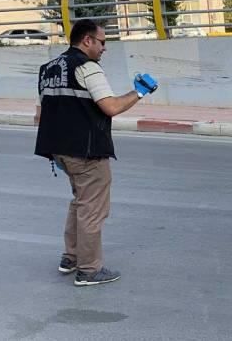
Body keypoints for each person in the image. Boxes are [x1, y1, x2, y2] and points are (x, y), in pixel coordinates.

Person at [34, 19, 158, 286]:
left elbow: (39, 116)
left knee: (80, 201)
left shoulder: (48, 69)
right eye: (102, 42)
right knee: (92, 208)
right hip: (87, 152)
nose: (105, 48)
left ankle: (71, 257)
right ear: (87, 41)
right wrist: (139, 92)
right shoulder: (88, 68)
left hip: (59, 151)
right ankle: (89, 270)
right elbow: (111, 107)